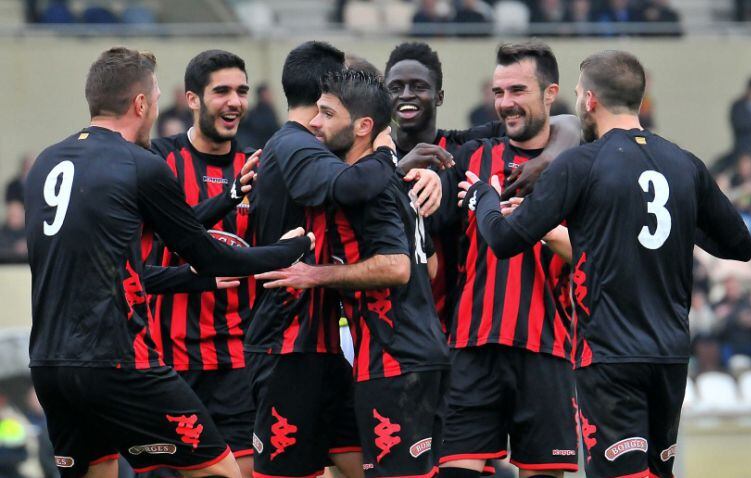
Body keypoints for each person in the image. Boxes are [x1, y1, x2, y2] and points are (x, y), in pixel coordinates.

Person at [458, 49, 751, 478]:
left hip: (609, 356)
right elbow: (739, 245)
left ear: (590, 100)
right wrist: (682, 219)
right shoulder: (685, 164)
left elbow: (504, 239)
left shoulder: (583, 162)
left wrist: (483, 198)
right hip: (670, 354)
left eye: (579, 93)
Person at [24, 46, 313, 478]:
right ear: (140, 103)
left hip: (49, 365)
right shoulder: (141, 163)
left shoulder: (46, 162)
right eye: (157, 99)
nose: (157, 110)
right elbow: (207, 253)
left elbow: (150, 245)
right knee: (222, 473)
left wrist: (228, 198)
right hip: (120, 363)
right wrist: (293, 249)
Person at [244, 41, 444, 478]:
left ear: (362, 125)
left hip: (389, 356)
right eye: (318, 110)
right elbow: (428, 266)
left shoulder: (368, 184)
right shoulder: (378, 175)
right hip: (356, 352)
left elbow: (399, 266)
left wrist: (317, 274)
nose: (317, 123)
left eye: (328, 113)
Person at [434, 41, 577, 478]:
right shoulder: (473, 156)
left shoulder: (579, 167)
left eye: (517, 90)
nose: (505, 103)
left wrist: (537, 226)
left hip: (547, 347)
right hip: (473, 347)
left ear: (549, 94)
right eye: (498, 92)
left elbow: (594, 253)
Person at [383, 41, 579, 333]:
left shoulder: (465, 148)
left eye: (418, 86)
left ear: (439, 96)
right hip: (395, 328)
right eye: (395, 87)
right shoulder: (376, 162)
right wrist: (399, 172)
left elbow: (567, 123)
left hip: (456, 325)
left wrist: (546, 159)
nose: (407, 95)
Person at [143, 49, 261, 478]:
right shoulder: (155, 162)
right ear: (192, 99)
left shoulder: (259, 170)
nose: (235, 101)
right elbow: (156, 248)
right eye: (222, 91)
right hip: (168, 365)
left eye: (242, 91)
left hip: (238, 364)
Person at [236, 83, 281, 149]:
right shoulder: (256, 113)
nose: (270, 96)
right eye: (267, 94)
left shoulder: (270, 110)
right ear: (261, 95)